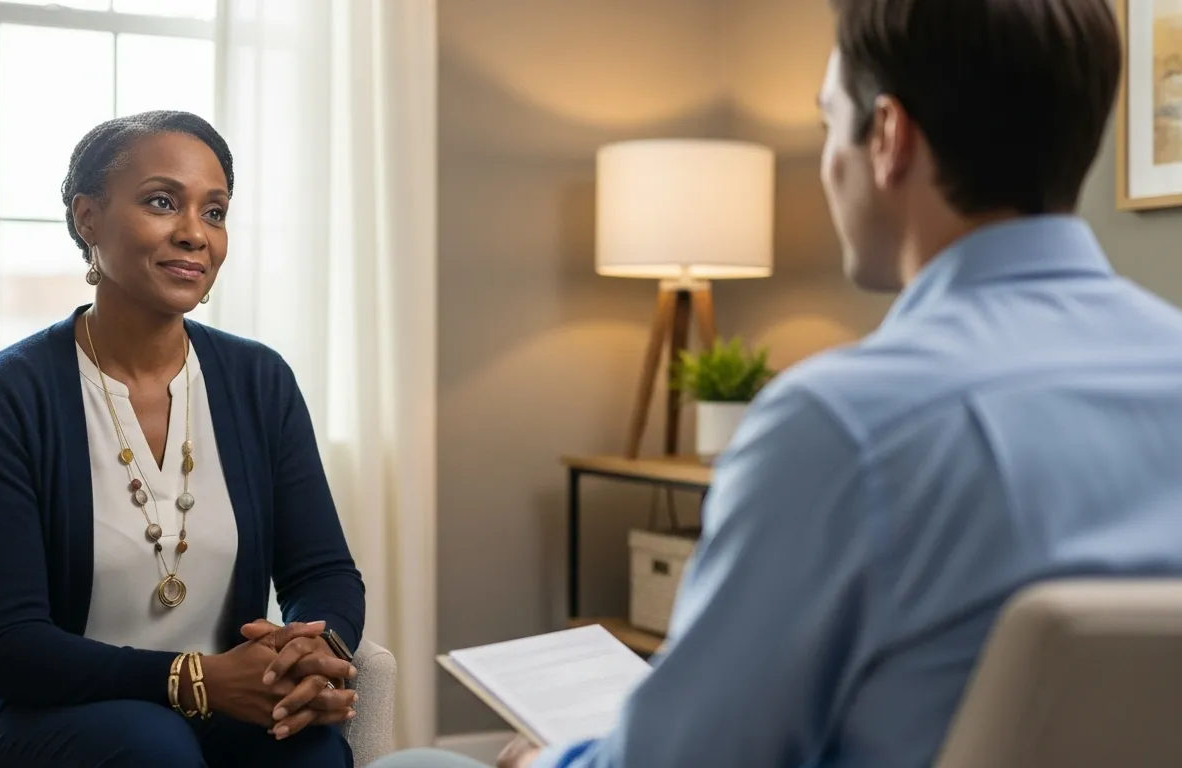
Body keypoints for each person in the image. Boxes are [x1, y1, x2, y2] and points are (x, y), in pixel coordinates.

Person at [376, 0, 1182, 766]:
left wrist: (541, 759)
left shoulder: (841, 426)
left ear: (890, 137)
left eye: (829, 120)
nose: (830, 160)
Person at [0, 110, 366, 767]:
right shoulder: (3, 396)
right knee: (152, 744)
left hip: (211, 700)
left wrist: (315, 652)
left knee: (308, 749)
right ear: (88, 219)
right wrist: (195, 679)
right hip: (26, 706)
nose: (194, 234)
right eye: (162, 202)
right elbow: (10, 644)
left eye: (215, 211)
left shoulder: (259, 380)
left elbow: (323, 572)